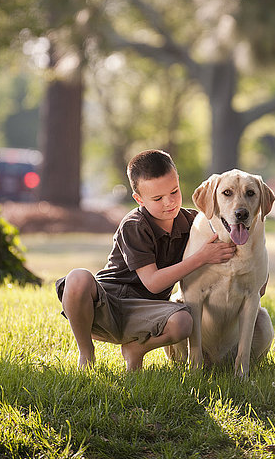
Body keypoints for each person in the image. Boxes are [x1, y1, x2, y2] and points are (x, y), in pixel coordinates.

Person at [56, 149, 236, 370]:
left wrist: (259, 279)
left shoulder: (193, 222)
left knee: (183, 322)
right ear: (139, 199)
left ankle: (136, 349)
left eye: (174, 191)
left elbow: (228, 245)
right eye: (158, 198)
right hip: (106, 306)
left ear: (178, 182)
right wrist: (201, 258)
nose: (169, 202)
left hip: (147, 312)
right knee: (77, 277)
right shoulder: (134, 225)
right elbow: (153, 282)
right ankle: (86, 353)